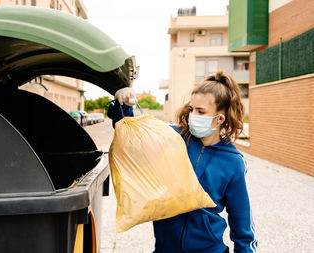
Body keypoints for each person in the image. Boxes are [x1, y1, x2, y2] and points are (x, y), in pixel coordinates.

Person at [107, 71, 258, 253]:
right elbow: (132, 135)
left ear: (219, 119)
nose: (193, 115)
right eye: (192, 109)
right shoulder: (173, 138)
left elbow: (242, 224)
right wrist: (123, 106)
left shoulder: (233, 162)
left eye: (201, 111)